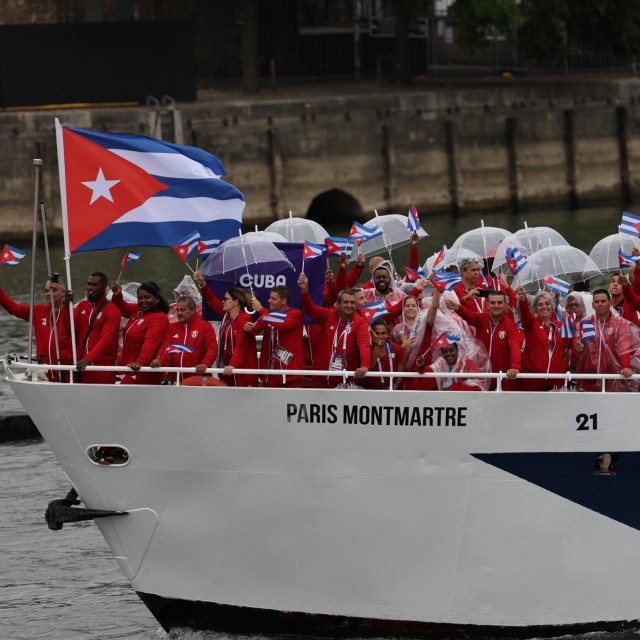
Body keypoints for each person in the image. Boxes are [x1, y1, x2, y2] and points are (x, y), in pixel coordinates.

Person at [298, 272, 370, 387]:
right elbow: (309, 308)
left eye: (352, 303)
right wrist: (305, 291)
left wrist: (365, 366)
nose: (349, 305)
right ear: (338, 303)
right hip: (320, 381)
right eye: (346, 302)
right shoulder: (327, 315)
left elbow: (364, 345)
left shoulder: (360, 323)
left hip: (345, 383)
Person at [0, 275, 72, 382]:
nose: (49, 294)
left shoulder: (72, 313)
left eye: (53, 290)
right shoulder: (38, 311)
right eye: (46, 291)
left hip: (68, 374)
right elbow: (13, 308)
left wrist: (67, 308)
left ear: (63, 292)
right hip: (44, 375)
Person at [445, 290, 521, 390]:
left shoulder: (511, 326)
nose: (496, 305)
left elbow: (515, 346)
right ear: (487, 305)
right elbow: (468, 315)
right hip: (480, 377)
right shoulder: (481, 319)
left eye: (499, 302)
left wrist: (515, 367)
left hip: (502, 379)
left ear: (505, 305)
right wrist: (458, 308)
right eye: (493, 303)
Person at [192, 272, 258, 387]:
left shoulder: (245, 319)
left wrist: (232, 365)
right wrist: (202, 283)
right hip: (227, 370)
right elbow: (212, 301)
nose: (223, 301)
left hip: (241, 371)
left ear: (235, 302)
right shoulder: (226, 316)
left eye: (226, 299)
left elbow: (240, 345)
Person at [573, 288, 637, 392]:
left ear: (610, 303)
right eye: (597, 302)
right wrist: (577, 348)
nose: (600, 304)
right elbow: (578, 347)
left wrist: (625, 366)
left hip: (611, 376)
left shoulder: (620, 322)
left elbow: (623, 346)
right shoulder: (586, 322)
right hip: (588, 377)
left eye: (603, 301)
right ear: (593, 305)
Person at [244, 285, 304, 387]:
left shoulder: (295, 314)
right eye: (270, 297)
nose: (269, 301)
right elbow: (252, 332)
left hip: (289, 374)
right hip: (270, 372)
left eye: (273, 298)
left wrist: (261, 309)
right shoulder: (268, 316)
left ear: (284, 301)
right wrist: (246, 328)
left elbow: (283, 325)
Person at [111, 280, 170, 385]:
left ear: (156, 298)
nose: (143, 301)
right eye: (140, 298)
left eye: (147, 297)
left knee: (119, 397)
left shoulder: (159, 318)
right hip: (131, 368)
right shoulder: (137, 310)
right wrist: (117, 295)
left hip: (144, 371)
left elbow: (150, 344)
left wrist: (140, 362)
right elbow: (121, 307)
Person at [151, 295, 218, 384]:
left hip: (198, 380)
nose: (179, 313)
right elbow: (166, 347)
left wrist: (205, 364)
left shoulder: (205, 326)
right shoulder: (172, 327)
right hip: (176, 380)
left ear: (193, 310)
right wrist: (159, 360)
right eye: (178, 310)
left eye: (182, 310)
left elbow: (212, 349)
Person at [516, 286, 571, 391]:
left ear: (552, 306)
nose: (544, 307)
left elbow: (569, 345)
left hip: (557, 380)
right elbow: (525, 315)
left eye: (547, 303)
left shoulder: (560, 325)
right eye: (540, 304)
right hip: (534, 380)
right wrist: (523, 300)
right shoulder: (531, 324)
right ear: (535, 308)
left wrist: (569, 324)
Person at [70, 272, 121, 384]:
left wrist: (88, 358)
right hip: (80, 366)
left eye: (94, 285)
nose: (89, 287)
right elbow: (71, 329)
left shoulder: (112, 311)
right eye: (88, 284)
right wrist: (66, 304)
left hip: (101, 367)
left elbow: (105, 340)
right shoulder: (82, 306)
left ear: (104, 287)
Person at [412, 340, 489, 391]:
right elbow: (428, 374)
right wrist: (421, 367)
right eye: (445, 352)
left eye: (451, 350)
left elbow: (478, 387)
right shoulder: (441, 364)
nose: (448, 354)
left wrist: (453, 388)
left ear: (457, 350)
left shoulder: (467, 363)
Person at [363, 319, 405, 390]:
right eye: (377, 333)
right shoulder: (367, 349)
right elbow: (370, 368)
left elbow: (400, 374)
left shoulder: (398, 349)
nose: (380, 336)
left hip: (393, 392)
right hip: (372, 392)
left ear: (388, 334)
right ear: (371, 335)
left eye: (383, 333)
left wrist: (393, 389)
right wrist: (377, 346)